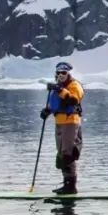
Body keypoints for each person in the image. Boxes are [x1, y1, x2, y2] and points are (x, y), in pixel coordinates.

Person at [41, 61, 85, 194]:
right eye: (58, 73)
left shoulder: (74, 85)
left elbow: (73, 100)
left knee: (68, 153)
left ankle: (71, 186)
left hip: (71, 122)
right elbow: (54, 104)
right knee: (61, 154)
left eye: (63, 73)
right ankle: (67, 183)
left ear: (68, 73)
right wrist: (46, 111)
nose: (61, 75)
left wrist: (59, 90)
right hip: (59, 122)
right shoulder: (57, 87)